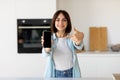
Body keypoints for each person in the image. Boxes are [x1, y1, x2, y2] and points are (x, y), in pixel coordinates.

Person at [41, 10, 84, 78]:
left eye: (64, 20)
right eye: (57, 20)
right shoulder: (50, 38)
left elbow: (79, 46)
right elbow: (45, 54)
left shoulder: (71, 38)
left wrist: (78, 42)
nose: (61, 23)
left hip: (71, 73)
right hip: (54, 73)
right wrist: (47, 48)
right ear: (54, 22)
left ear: (68, 22)